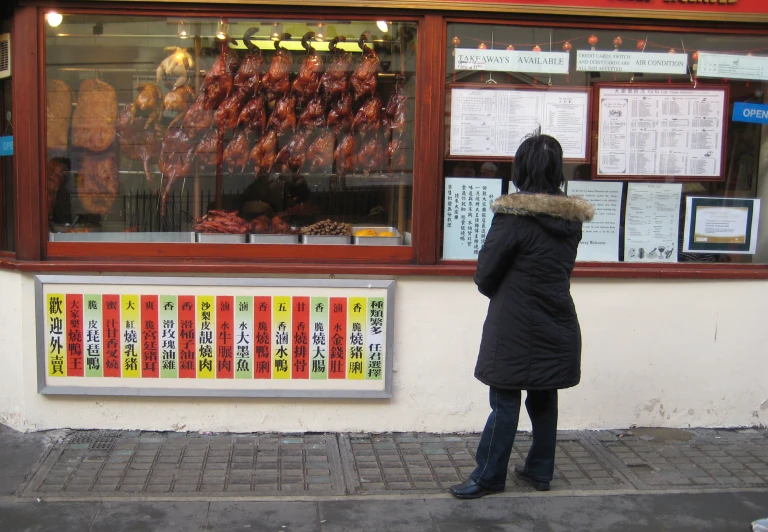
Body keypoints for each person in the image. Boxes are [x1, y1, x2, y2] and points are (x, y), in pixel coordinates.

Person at [449, 134, 594, 499]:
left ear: (521, 169)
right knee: (544, 398)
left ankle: (488, 476)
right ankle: (539, 470)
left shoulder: (513, 217)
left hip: (513, 325)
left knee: (505, 401)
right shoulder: (570, 220)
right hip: (557, 319)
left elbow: (485, 274)